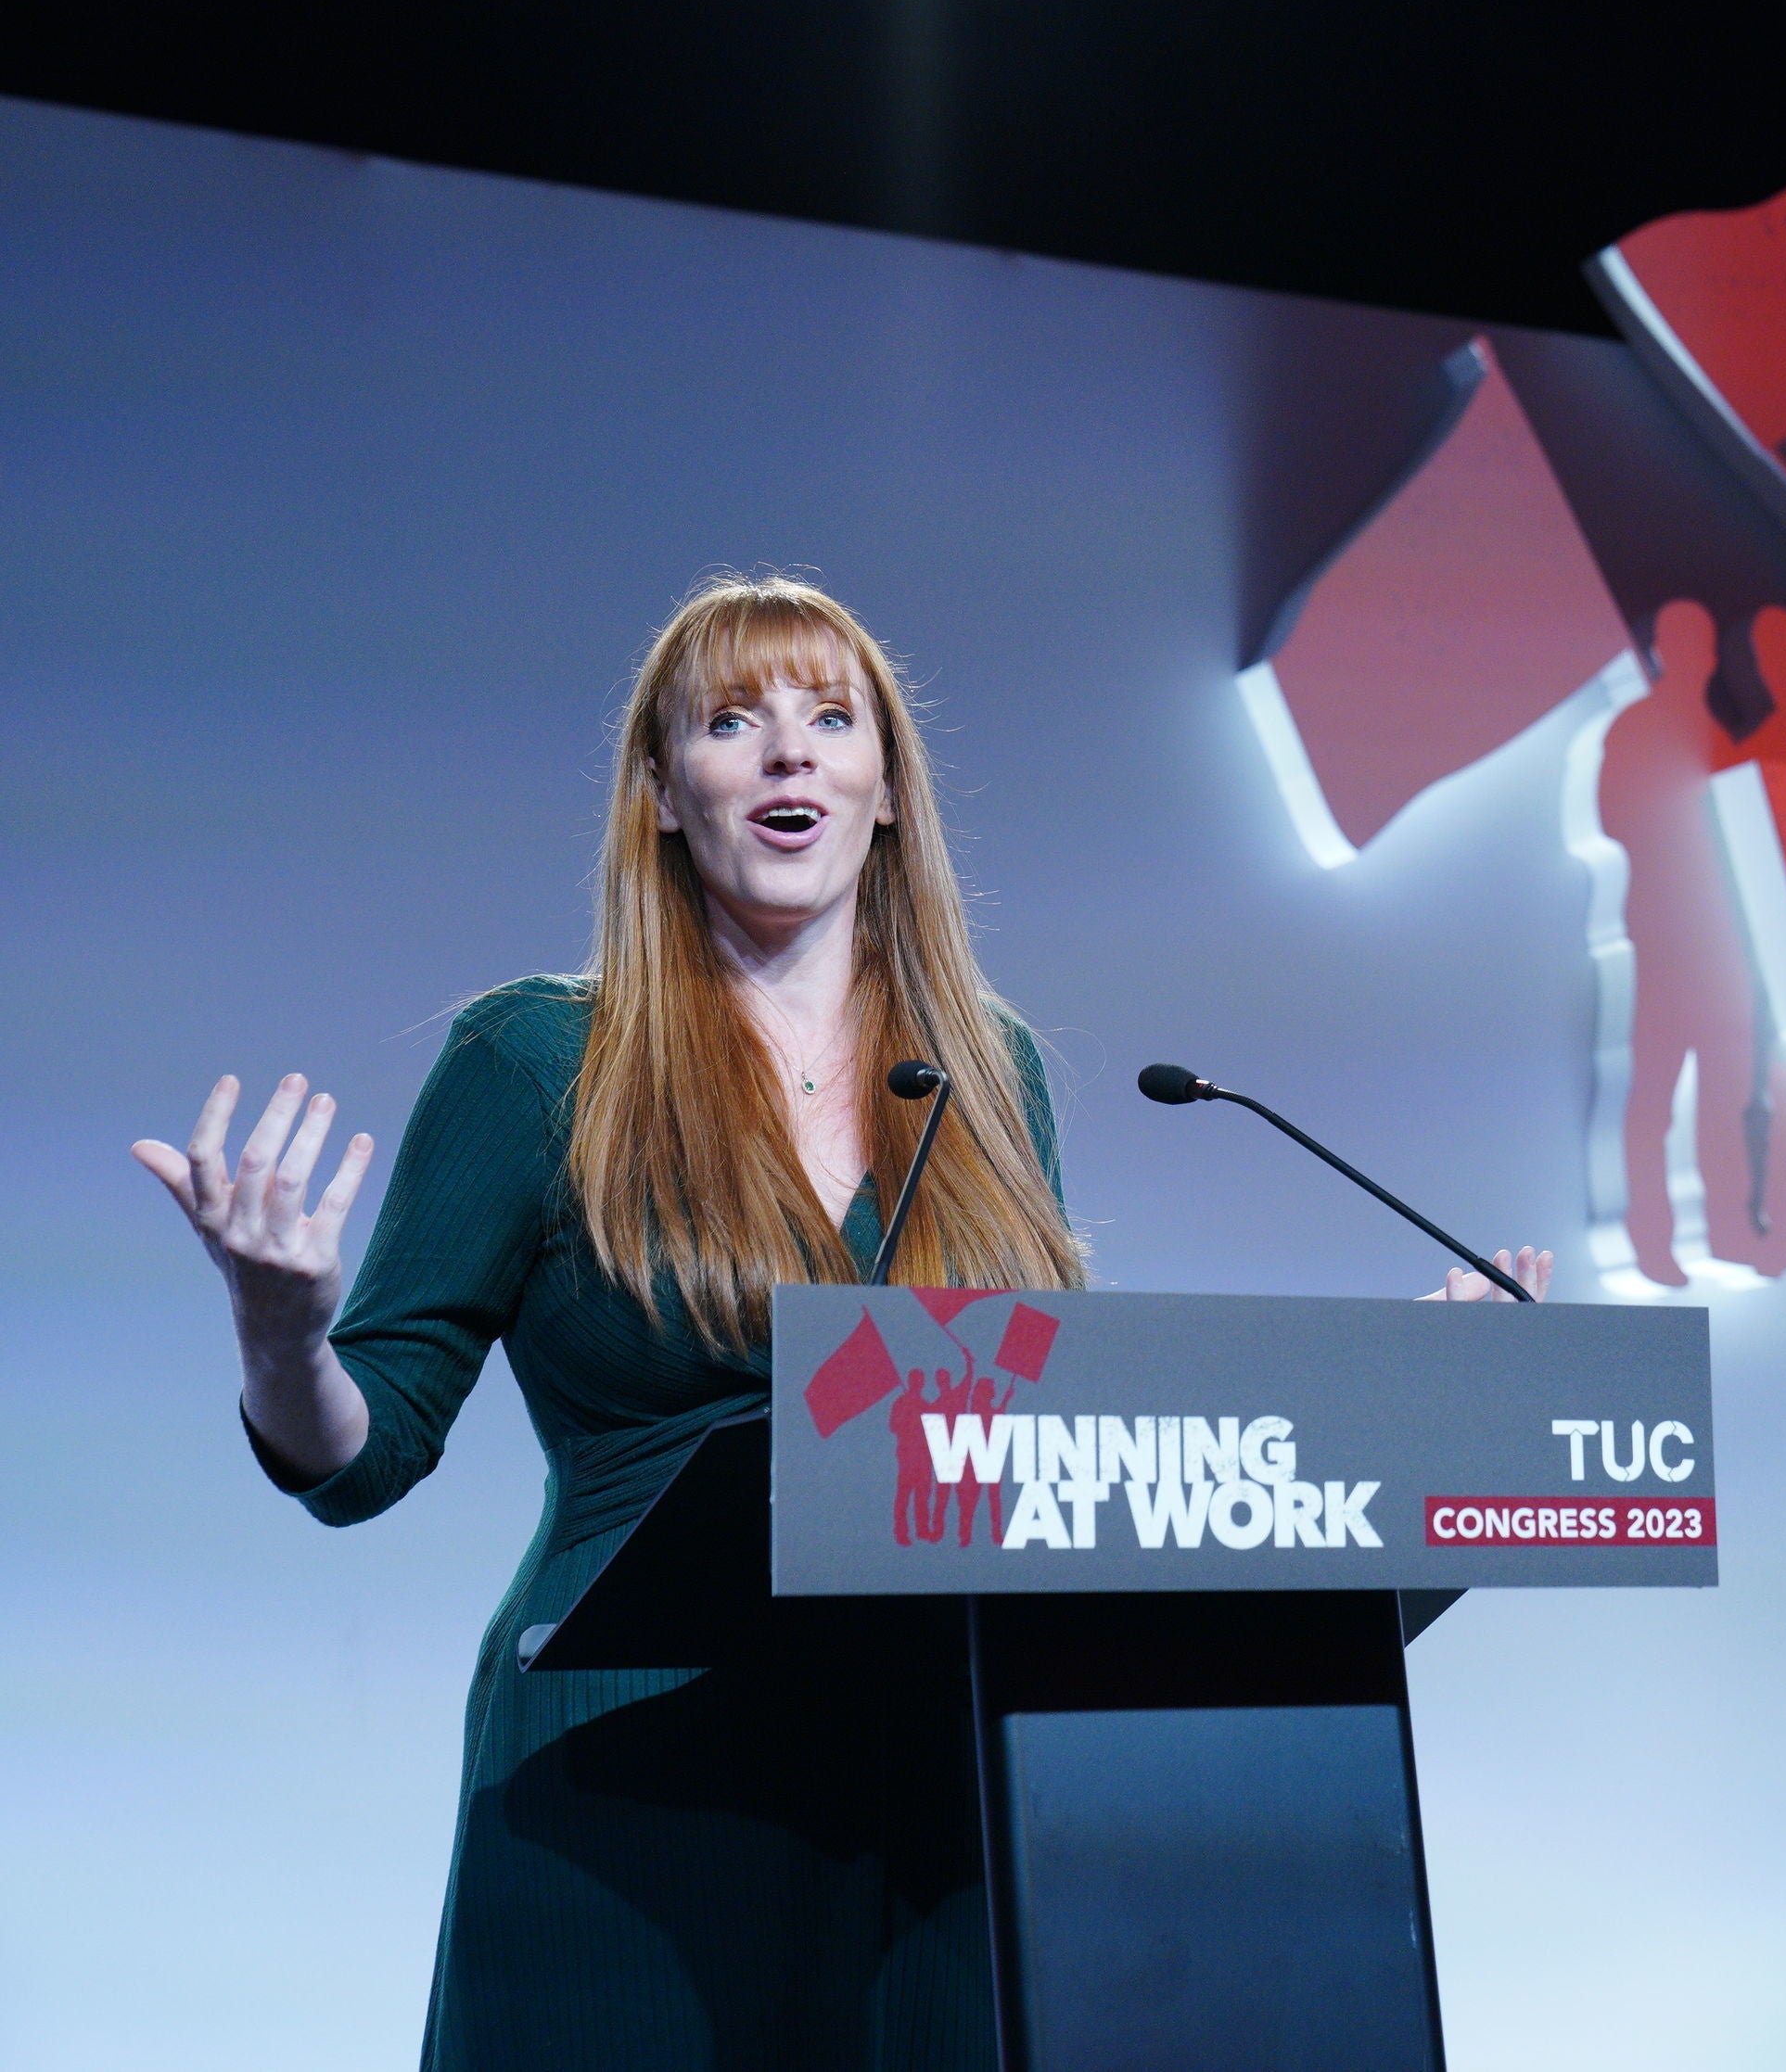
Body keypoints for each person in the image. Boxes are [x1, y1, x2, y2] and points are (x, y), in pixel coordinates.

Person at [133, 573, 1550, 2070]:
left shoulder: (987, 1072)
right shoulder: (541, 1059)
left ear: (887, 790)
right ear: (667, 796)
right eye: (732, 722)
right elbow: (362, 1455)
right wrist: (284, 1330)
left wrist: (1418, 1409)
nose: (788, 752)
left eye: (829, 717)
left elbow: (1057, 1459)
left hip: (922, 1792)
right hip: (627, 1778)